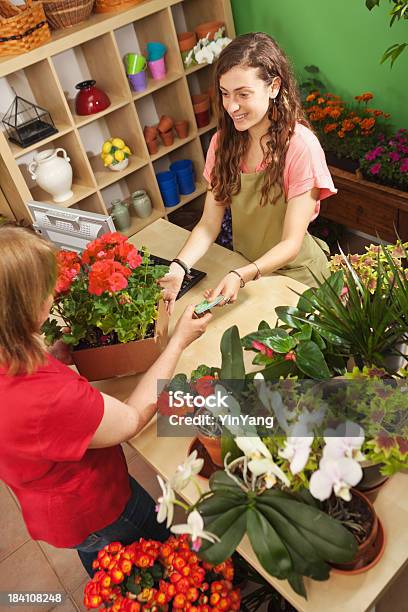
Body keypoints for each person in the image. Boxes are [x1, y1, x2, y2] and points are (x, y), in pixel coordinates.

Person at [0, 225, 211, 577]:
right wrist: (178, 341)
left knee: (101, 557)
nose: (53, 295)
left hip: (51, 512)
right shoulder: (48, 396)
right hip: (97, 507)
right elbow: (131, 420)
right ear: (25, 309)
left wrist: (52, 354)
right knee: (161, 557)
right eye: (45, 291)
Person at [159, 32, 337, 313]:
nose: (231, 106)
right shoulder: (223, 143)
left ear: (274, 87)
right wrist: (179, 266)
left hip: (297, 277)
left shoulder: (300, 147)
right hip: (246, 268)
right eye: (225, 93)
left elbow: (291, 243)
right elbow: (208, 223)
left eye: (243, 94)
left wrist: (242, 275)